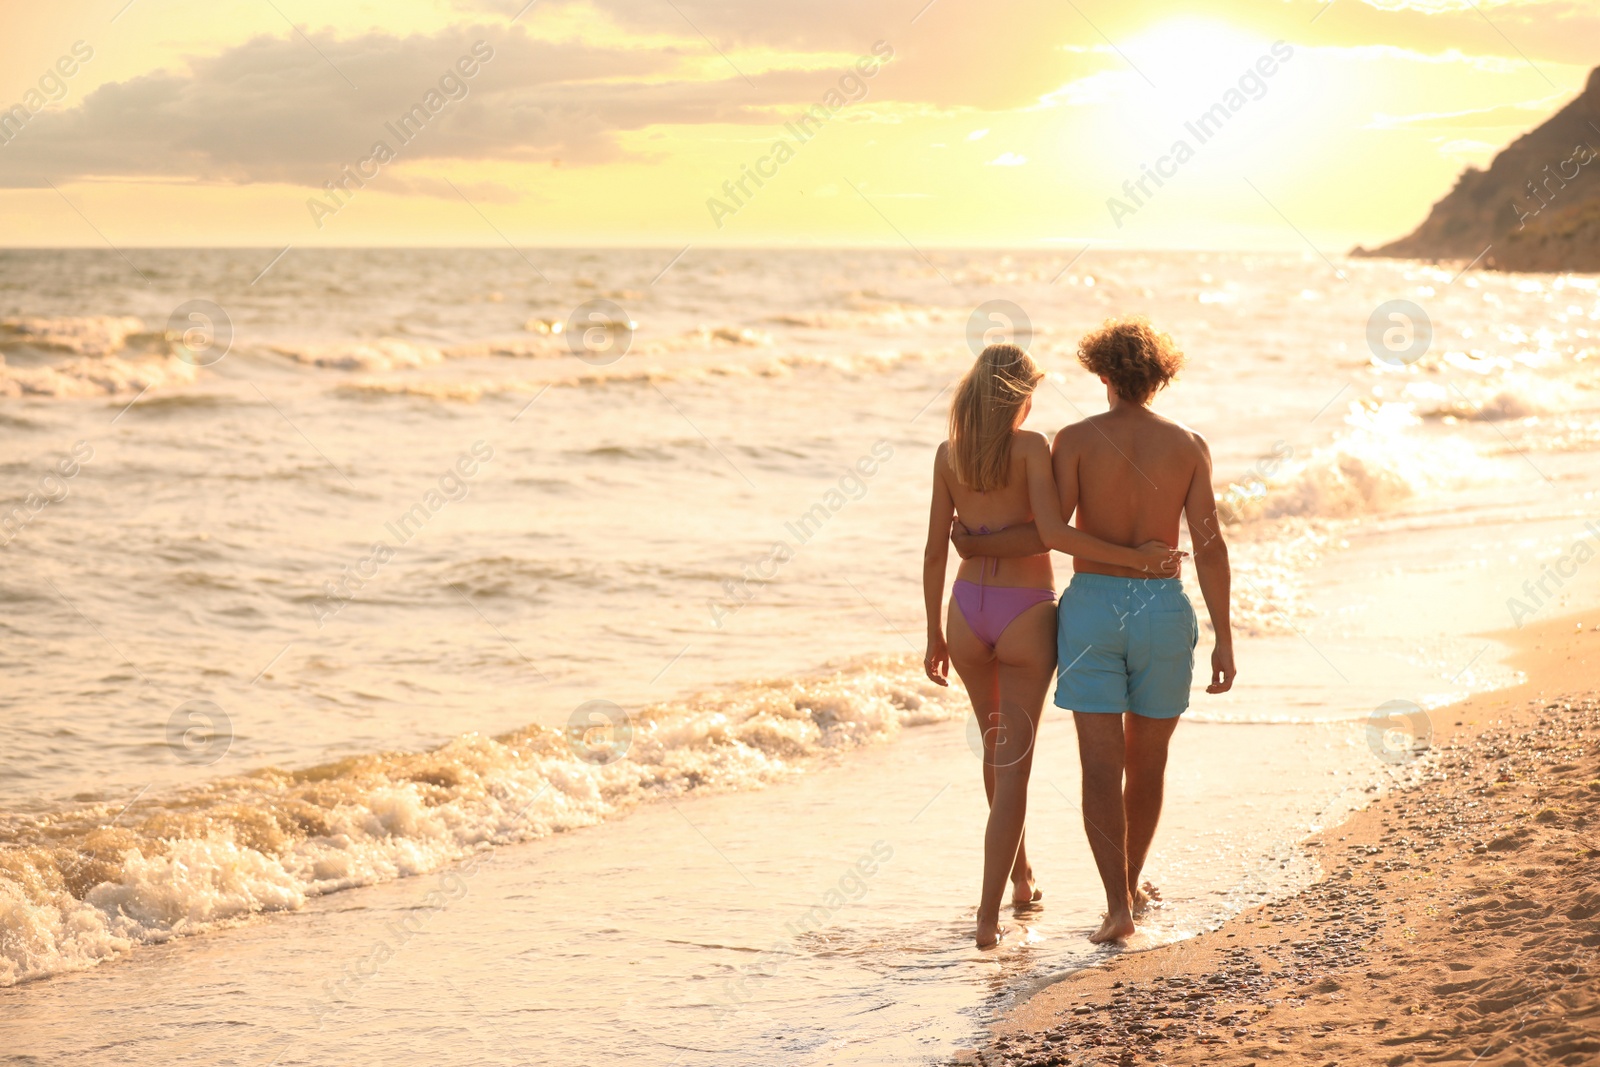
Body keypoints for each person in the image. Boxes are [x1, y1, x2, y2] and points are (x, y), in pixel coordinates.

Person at [953, 319, 1234, 944]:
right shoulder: (1190, 445)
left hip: (1091, 611)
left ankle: (1117, 909)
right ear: (1160, 378)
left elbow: (1053, 532)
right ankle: (1132, 880)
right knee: (1149, 761)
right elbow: (1209, 547)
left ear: (1101, 374)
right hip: (1162, 606)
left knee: (1099, 764)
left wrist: (976, 544)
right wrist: (1225, 637)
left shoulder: (1073, 441)